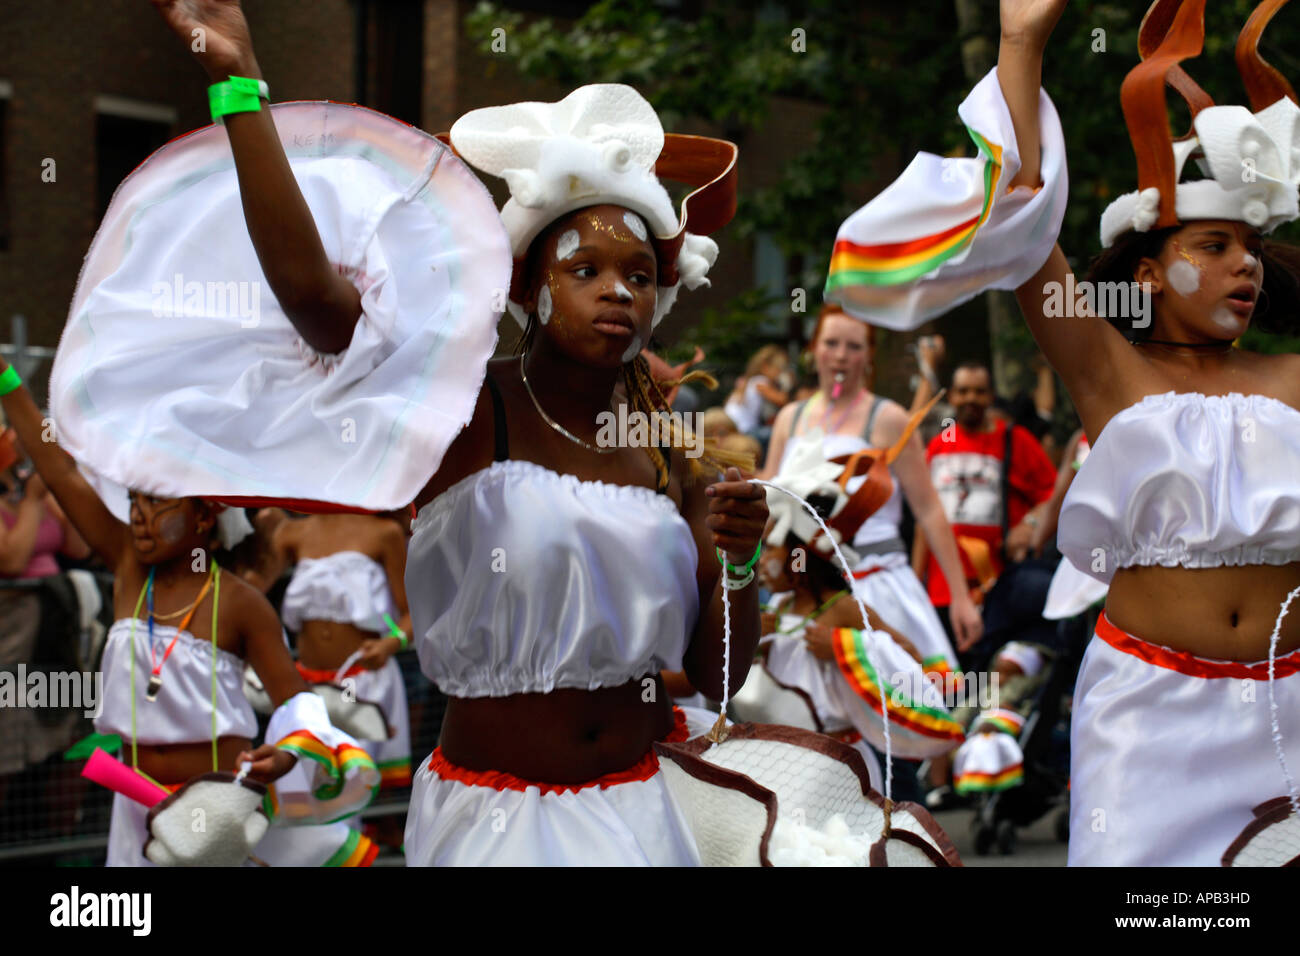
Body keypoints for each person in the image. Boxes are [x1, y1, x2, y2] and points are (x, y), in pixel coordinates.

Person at [136, 0, 768, 866]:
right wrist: (235, 78)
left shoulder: (672, 454)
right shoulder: (469, 410)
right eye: (584, 269)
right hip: (496, 826)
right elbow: (318, 303)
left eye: (640, 274)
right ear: (529, 287)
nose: (618, 292)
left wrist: (738, 560)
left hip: (644, 814)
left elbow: (726, 675)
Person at [823, 0, 1300, 866]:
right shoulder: (1106, 368)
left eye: (1254, 248)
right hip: (1150, 716)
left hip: (1290, 717)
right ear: (1148, 272)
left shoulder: (1293, 380)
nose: (1246, 265)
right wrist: (1022, 40)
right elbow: (1020, 218)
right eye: (1217, 244)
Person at [763, 304, 982, 674]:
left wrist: (960, 598)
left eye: (854, 346)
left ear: (868, 356)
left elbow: (928, 509)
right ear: (814, 349)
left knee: (898, 704)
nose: (841, 356)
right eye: (831, 343)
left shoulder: (888, 418)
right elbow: (769, 507)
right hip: (804, 591)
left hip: (877, 585)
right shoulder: (790, 418)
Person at [915, 359, 1057, 657]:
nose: (970, 399)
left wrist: (1029, 524)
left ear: (991, 396)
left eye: (979, 392)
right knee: (951, 683)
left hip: (1000, 587)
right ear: (951, 396)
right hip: (943, 591)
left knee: (990, 681)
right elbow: (923, 521)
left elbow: (1056, 494)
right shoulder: (939, 446)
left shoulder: (1015, 440)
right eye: (963, 391)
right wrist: (916, 583)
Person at [267, 512, 413, 792]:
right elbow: (250, 587)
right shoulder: (291, 533)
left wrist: (391, 643)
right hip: (306, 687)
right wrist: (260, 535)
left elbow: (410, 614)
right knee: (309, 789)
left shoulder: (384, 532)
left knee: (362, 788)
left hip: (364, 683)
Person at [724, 345, 790, 435]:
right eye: (778, 369)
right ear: (765, 367)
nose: (779, 373)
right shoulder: (760, 381)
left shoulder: (752, 381)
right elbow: (782, 400)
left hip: (736, 425)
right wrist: (786, 383)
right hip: (744, 429)